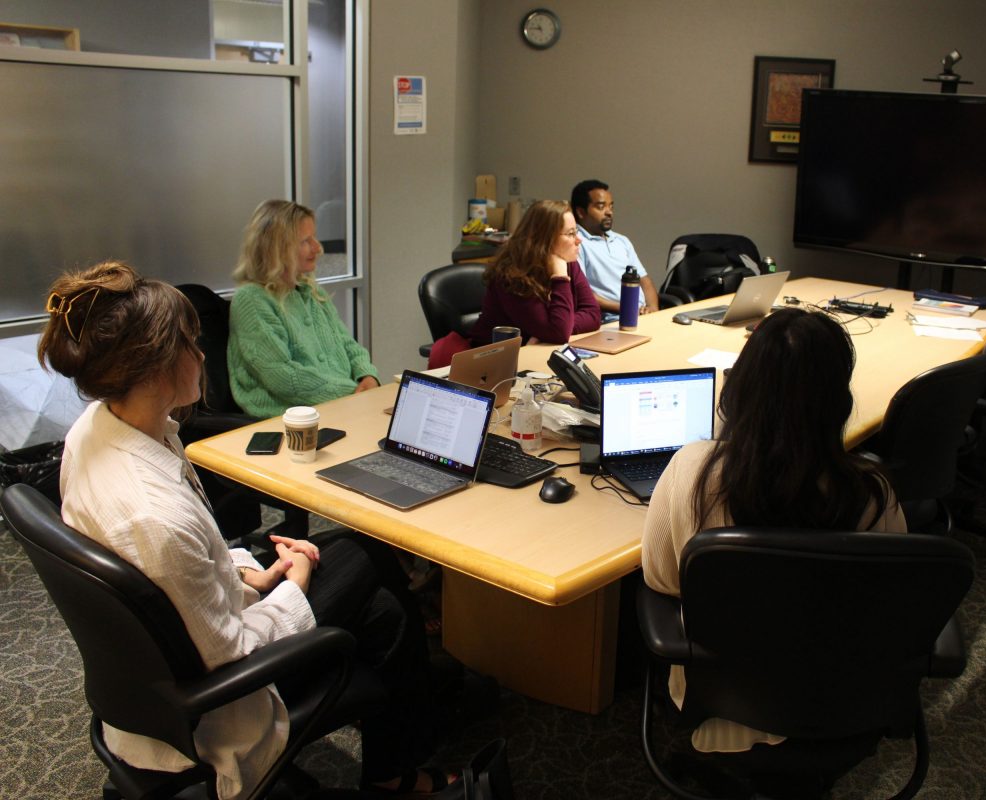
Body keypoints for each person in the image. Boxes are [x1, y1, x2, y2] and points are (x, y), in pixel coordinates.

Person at [39, 261, 453, 800]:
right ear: (157, 367)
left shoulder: (96, 430)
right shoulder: (152, 514)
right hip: (216, 702)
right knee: (365, 553)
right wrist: (294, 583)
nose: (203, 353)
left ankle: (403, 740)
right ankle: (400, 766)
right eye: (191, 341)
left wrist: (253, 573)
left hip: (159, 661)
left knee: (383, 609)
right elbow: (228, 654)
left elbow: (180, 569)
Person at [641, 307, 906, 796]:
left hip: (722, 701)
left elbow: (661, 581)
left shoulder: (692, 472)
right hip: (846, 703)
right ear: (839, 401)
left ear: (737, 392)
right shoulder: (873, 493)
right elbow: (893, 602)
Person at [228, 199, 380, 418]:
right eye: (305, 241)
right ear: (277, 249)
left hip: (341, 405)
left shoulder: (309, 289)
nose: (318, 248)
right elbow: (282, 376)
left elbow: (348, 344)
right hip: (291, 421)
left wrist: (367, 376)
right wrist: (353, 394)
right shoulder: (252, 299)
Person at [467, 199, 601, 346]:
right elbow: (559, 332)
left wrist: (555, 329)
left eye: (576, 232)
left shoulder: (568, 263)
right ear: (545, 238)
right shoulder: (512, 275)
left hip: (535, 351)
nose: (578, 240)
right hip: (492, 358)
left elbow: (593, 315)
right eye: (570, 233)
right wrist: (560, 278)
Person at [570, 179, 660, 318]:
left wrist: (653, 309)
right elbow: (583, 294)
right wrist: (627, 309)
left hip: (642, 317)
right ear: (581, 212)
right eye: (601, 207)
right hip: (612, 321)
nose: (609, 213)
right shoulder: (576, 242)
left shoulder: (622, 241)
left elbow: (644, 280)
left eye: (611, 207)